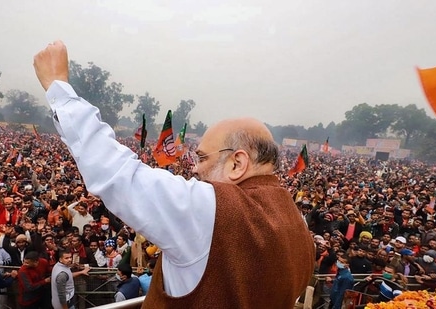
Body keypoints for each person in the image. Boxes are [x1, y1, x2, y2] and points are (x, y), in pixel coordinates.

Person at [34, 40, 315, 308]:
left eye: (203, 158)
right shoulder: (299, 227)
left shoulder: (213, 209)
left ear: (237, 164)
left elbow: (118, 173)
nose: (195, 167)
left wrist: (58, 87)